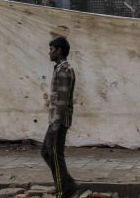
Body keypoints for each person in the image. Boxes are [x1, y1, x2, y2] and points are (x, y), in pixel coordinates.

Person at [42, 36, 88, 198]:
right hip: (56, 120)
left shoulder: (64, 70)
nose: (49, 53)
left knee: (54, 154)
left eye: (52, 49)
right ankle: (68, 184)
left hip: (59, 121)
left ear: (59, 51)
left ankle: (64, 190)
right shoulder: (60, 68)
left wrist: (55, 125)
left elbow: (62, 100)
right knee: (46, 152)